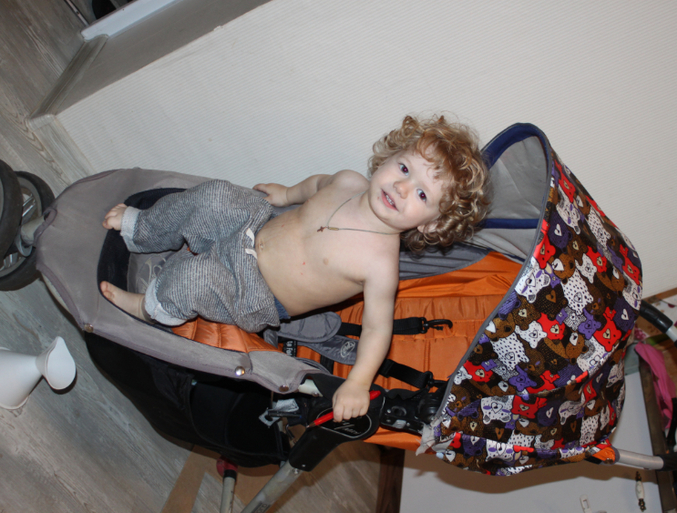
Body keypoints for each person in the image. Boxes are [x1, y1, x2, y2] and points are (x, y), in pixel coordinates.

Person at [100, 114, 489, 421]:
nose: (402, 188)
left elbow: (376, 329)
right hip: (253, 227)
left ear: (431, 225)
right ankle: (144, 228)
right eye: (404, 168)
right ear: (390, 156)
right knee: (215, 195)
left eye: (421, 193)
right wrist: (287, 194)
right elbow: (316, 184)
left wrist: (358, 382)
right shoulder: (349, 181)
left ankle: (151, 308)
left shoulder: (380, 265)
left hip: (253, 292)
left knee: (194, 279)